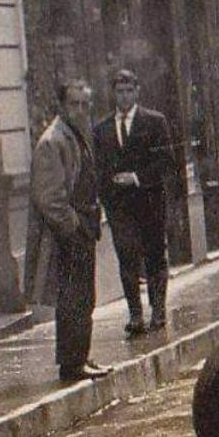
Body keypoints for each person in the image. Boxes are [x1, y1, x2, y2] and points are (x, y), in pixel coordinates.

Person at [24, 80, 110, 386]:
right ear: (62, 106)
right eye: (74, 104)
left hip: (83, 228)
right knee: (73, 299)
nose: (80, 110)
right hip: (67, 235)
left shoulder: (75, 135)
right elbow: (49, 198)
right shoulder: (53, 141)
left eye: (85, 104)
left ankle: (80, 356)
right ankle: (72, 363)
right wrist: (73, 228)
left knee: (84, 297)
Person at [94, 69, 175, 336]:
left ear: (137, 91)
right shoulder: (102, 129)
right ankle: (135, 314)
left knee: (155, 256)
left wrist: (137, 178)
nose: (125, 96)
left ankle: (158, 310)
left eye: (129, 91)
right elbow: (99, 168)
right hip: (120, 208)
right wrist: (108, 195)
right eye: (120, 91)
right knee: (127, 258)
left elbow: (166, 162)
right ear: (113, 94)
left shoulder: (154, 122)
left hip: (150, 202)